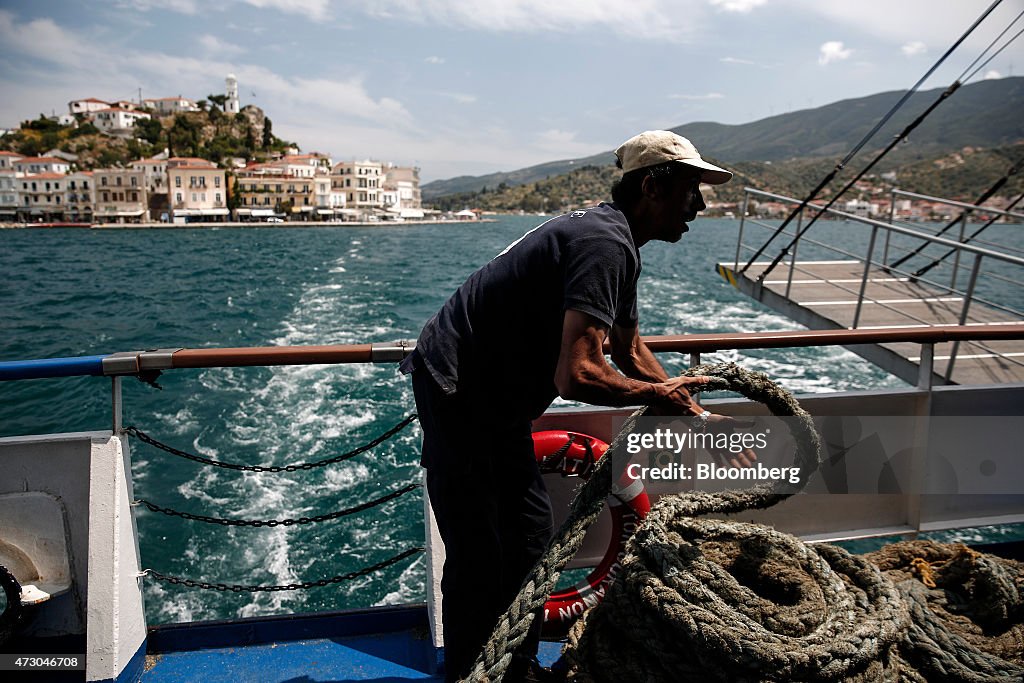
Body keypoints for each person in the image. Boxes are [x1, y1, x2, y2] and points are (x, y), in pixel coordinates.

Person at [400, 130, 755, 682]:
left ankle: (512, 664)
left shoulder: (620, 245)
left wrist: (700, 419)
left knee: (530, 534)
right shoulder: (604, 243)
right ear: (654, 187)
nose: (701, 205)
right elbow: (579, 373)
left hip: (498, 401)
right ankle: (472, 674)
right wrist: (659, 396)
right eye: (691, 189)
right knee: (477, 552)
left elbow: (629, 349)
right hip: (459, 391)